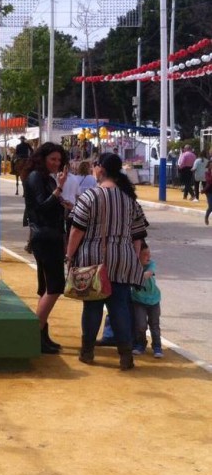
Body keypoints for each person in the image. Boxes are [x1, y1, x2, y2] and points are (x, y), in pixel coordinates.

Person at [66, 152, 150, 370]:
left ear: (100, 170)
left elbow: (76, 230)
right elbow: (138, 236)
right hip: (122, 259)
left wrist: (69, 255)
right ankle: (125, 355)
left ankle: (87, 352)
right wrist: (132, 260)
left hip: (93, 259)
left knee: (92, 306)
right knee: (120, 306)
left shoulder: (90, 196)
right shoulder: (129, 200)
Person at [21, 142, 69, 354]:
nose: (57, 163)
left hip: (52, 236)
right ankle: (35, 332)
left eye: (59, 160)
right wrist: (58, 190)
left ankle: (42, 334)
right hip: (45, 237)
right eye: (53, 159)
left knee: (46, 287)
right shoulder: (35, 177)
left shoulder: (46, 178)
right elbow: (41, 206)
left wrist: (63, 201)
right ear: (42, 158)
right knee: (55, 286)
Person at [131, 242, 163, 358]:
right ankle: (140, 344)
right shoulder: (132, 266)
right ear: (137, 255)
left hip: (154, 300)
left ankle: (157, 347)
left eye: (149, 254)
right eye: (145, 254)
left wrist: (134, 276)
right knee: (140, 324)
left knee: (154, 325)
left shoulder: (151, 265)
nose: (148, 257)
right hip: (138, 301)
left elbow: (148, 273)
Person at [204, 159, 212, 225]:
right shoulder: (207, 173)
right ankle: (206, 217)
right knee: (211, 206)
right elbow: (209, 181)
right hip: (209, 191)